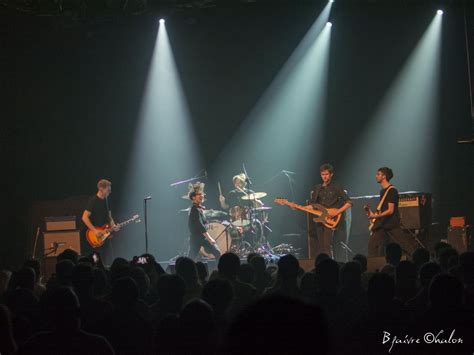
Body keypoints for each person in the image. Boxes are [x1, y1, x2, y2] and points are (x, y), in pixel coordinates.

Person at [367, 167, 418, 257]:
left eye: (378, 174)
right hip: (383, 225)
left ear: (384, 176)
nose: (376, 176)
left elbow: (390, 210)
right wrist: (374, 215)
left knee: (406, 246)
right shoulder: (383, 191)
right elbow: (383, 209)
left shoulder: (392, 190)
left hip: (392, 224)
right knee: (372, 246)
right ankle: (374, 268)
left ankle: (416, 260)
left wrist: (376, 217)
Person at [311, 163, 352, 261]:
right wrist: (297, 207)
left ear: (331, 174)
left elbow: (349, 202)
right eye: (322, 174)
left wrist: (336, 212)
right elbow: (313, 205)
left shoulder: (336, 186)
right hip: (320, 219)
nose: (324, 177)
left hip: (331, 219)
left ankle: (330, 265)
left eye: (326, 174)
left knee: (327, 245)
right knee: (321, 246)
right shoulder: (317, 188)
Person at [81, 179, 119, 260]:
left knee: (109, 259)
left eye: (110, 190)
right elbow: (84, 217)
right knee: (96, 260)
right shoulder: (93, 200)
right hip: (95, 236)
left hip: (105, 234)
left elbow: (110, 217)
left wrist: (114, 226)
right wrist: (95, 230)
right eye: (108, 190)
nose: (110, 192)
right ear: (101, 189)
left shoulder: (107, 201)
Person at [188, 191, 221, 261]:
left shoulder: (198, 209)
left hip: (198, 238)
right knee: (217, 252)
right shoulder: (194, 209)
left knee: (191, 258)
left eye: (202, 194)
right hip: (197, 238)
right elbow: (200, 225)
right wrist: (209, 238)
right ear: (193, 197)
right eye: (199, 194)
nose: (202, 196)